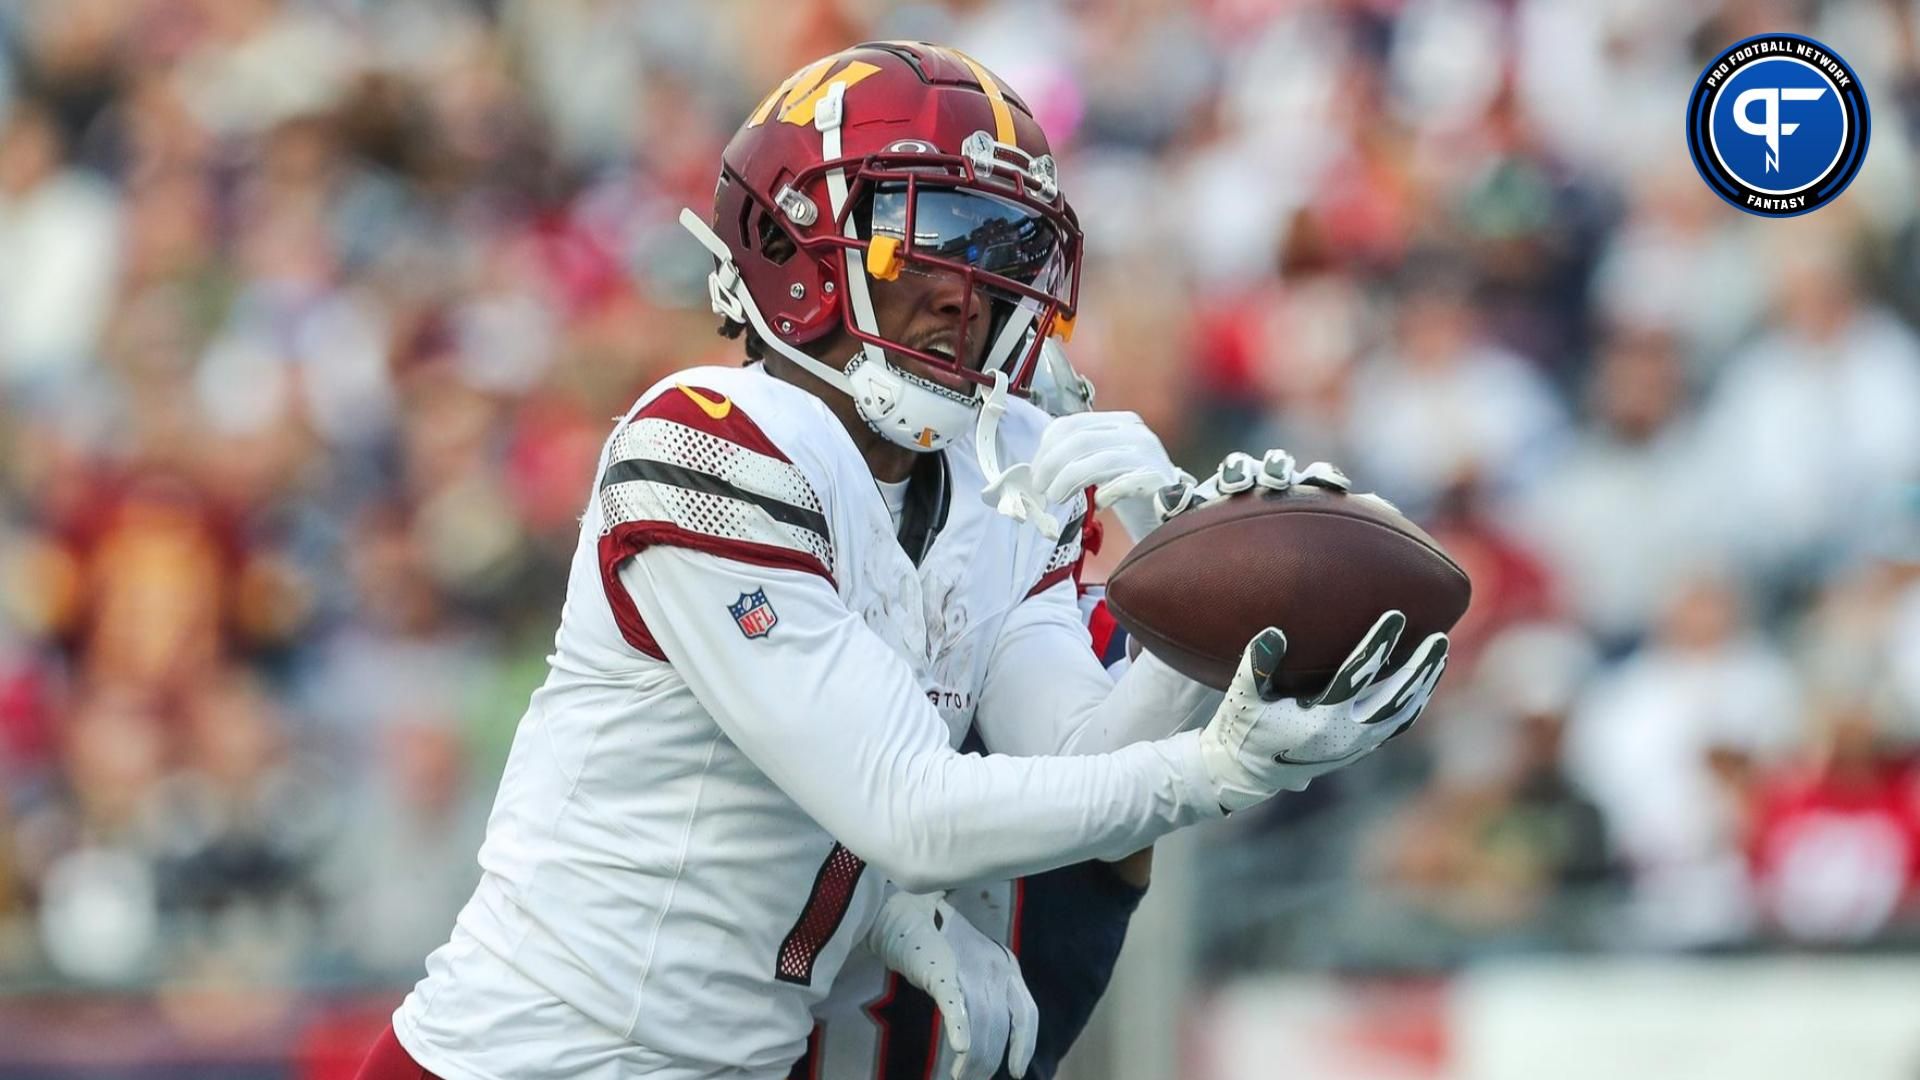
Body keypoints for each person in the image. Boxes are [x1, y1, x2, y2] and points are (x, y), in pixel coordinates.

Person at [356, 41, 1449, 1080]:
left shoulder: (1007, 469)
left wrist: (1203, 644)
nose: (965, 286)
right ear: (795, 242)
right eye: (931, 230)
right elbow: (907, 811)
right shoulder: (703, 441)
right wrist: (1212, 773)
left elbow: (1070, 753)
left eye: (1002, 248)